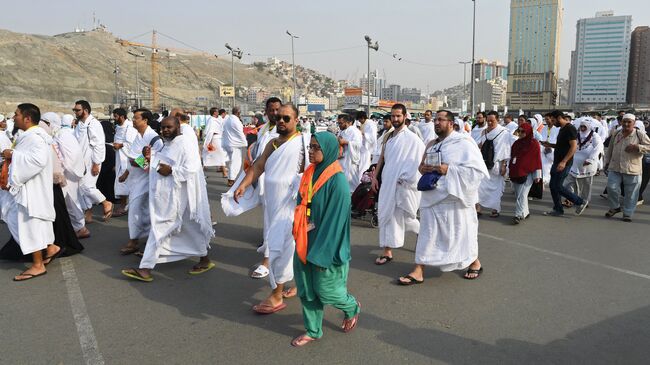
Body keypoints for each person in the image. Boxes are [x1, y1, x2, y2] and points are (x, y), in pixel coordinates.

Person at [397, 110, 489, 285]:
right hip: (432, 197)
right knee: (427, 234)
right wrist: (422, 169)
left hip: (455, 199)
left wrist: (449, 170)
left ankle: (474, 262)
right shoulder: (432, 144)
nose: (436, 122)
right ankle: (418, 270)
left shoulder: (464, 143)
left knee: (460, 235)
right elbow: (422, 166)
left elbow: (477, 172)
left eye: (441, 120)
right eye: (435, 120)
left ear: (451, 123)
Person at [233, 104, 308, 314]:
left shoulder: (304, 142)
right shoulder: (273, 143)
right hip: (273, 203)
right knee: (287, 246)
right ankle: (294, 284)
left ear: (296, 120)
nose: (281, 121)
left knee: (280, 247)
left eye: (286, 118)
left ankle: (276, 294)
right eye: (279, 118)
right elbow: (258, 166)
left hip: (292, 205)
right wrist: (244, 184)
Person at [121, 117, 214, 282]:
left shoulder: (184, 143)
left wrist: (171, 170)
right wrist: (145, 158)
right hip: (161, 191)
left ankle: (145, 268)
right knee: (190, 227)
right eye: (163, 128)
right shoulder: (165, 143)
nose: (165, 130)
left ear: (178, 126)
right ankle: (204, 259)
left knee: (160, 227)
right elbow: (151, 163)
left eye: (168, 127)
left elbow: (191, 168)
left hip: (178, 195)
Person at [291, 131, 360, 347]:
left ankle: (351, 307)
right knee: (306, 289)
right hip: (305, 240)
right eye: (309, 147)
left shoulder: (337, 182)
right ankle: (313, 330)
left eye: (315, 148)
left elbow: (335, 224)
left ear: (329, 150)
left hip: (326, 248)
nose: (310, 152)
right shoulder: (310, 173)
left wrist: (321, 255)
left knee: (327, 290)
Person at [0, 104, 60, 281]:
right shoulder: (29, 136)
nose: (14, 117)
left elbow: (37, 161)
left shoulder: (35, 137)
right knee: (18, 220)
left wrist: (13, 155)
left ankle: (38, 264)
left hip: (31, 189)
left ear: (27, 118)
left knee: (29, 225)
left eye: (16, 114)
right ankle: (49, 248)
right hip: (28, 187)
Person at [371, 104, 425, 265]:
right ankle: (388, 250)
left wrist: (406, 178)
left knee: (407, 218)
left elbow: (419, 161)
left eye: (398, 116)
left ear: (405, 116)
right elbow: (382, 157)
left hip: (403, 185)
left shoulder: (412, 139)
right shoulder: (388, 137)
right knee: (387, 216)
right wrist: (375, 176)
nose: (395, 119)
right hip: (388, 183)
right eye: (393, 116)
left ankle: (423, 236)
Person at [118, 109, 164, 255]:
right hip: (136, 179)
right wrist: (126, 172)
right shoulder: (139, 136)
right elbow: (133, 156)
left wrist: (138, 163)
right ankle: (146, 239)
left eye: (136, 118)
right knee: (142, 210)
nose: (133, 120)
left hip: (148, 180)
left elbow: (157, 162)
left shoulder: (154, 138)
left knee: (136, 208)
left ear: (145, 120)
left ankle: (134, 240)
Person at [250, 97, 282, 279]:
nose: (276, 114)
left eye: (278, 110)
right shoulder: (264, 129)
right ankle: (271, 250)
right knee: (269, 218)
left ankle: (268, 260)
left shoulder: (287, 132)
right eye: (272, 110)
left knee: (276, 220)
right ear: (266, 111)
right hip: (265, 179)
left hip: (281, 182)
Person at [603, 114, 650, 222]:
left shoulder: (640, 134)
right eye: (624, 121)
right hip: (615, 167)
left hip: (632, 168)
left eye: (629, 122)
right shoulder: (616, 133)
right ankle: (615, 207)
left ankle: (628, 213)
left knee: (631, 193)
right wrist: (606, 163)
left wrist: (638, 147)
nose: (626, 124)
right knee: (611, 188)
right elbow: (610, 149)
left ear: (634, 123)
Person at [73, 100, 113, 222]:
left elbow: (99, 145)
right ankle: (88, 213)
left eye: (77, 110)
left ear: (85, 110)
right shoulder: (80, 124)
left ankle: (106, 202)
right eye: (74, 110)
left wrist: (96, 163)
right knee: (81, 188)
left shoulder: (94, 124)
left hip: (92, 161)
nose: (75, 112)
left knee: (87, 186)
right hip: (81, 161)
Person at [541, 111, 587, 216]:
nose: (552, 122)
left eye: (553, 120)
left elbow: (573, 146)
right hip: (557, 161)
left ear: (559, 118)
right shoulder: (562, 129)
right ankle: (558, 209)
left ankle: (580, 202)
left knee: (557, 186)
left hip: (564, 163)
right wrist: (550, 145)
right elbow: (562, 145)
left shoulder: (570, 128)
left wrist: (564, 161)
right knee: (553, 186)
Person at [476, 111, 510, 217]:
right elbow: (480, 145)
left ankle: (495, 209)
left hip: (497, 165)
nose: (490, 123)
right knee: (480, 186)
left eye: (492, 121)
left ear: (498, 120)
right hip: (484, 163)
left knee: (496, 188)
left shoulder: (504, 132)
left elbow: (505, 150)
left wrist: (504, 165)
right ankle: (478, 208)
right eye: (488, 120)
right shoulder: (484, 132)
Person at [563, 118, 602, 209]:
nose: (582, 128)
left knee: (586, 184)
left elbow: (598, 148)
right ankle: (571, 198)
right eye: (581, 126)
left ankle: (585, 200)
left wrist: (591, 159)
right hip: (574, 162)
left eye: (584, 126)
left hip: (587, 164)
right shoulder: (576, 135)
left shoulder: (594, 136)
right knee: (569, 182)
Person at [508, 123, 542, 224]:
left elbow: (537, 160)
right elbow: (512, 157)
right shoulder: (516, 143)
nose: (521, 133)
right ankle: (525, 213)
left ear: (528, 132)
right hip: (516, 172)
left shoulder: (534, 143)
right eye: (519, 131)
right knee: (520, 194)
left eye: (523, 131)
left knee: (521, 195)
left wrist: (537, 175)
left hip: (529, 173)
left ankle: (517, 215)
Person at [112, 108, 136, 217]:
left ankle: (124, 207)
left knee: (125, 181)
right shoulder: (118, 128)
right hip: (119, 158)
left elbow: (133, 144)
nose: (114, 118)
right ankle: (124, 206)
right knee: (121, 182)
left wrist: (120, 145)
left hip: (127, 160)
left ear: (122, 117)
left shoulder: (129, 127)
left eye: (116, 116)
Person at [222, 107, 248, 186]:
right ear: (238, 112)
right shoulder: (235, 121)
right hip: (234, 145)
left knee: (232, 162)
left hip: (229, 143)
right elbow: (239, 133)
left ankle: (231, 178)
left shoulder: (228, 119)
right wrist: (245, 142)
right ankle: (231, 179)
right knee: (235, 162)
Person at [337, 114, 362, 193]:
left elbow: (358, 145)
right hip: (342, 159)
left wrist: (346, 142)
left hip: (350, 160)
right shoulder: (342, 131)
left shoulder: (354, 131)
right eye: (338, 123)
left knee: (351, 181)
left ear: (347, 123)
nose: (339, 125)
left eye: (341, 123)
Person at [202, 107, 229, 176]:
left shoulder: (216, 119)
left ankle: (202, 168)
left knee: (209, 154)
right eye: (217, 112)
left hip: (218, 138)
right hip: (214, 139)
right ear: (214, 113)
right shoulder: (211, 120)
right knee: (220, 154)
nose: (218, 113)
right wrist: (209, 141)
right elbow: (210, 131)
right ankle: (224, 172)